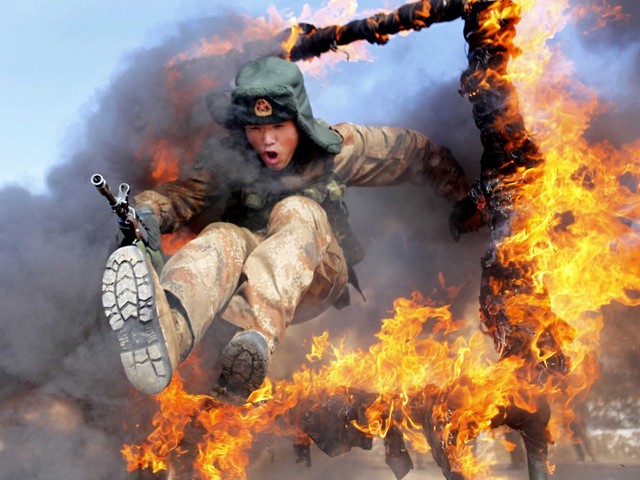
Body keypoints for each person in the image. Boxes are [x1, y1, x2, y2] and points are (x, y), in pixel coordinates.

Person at [101, 56, 484, 404]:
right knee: (220, 235)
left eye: (278, 126)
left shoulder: (337, 148)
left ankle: (251, 345)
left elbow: (415, 152)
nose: (267, 139)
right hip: (248, 275)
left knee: (298, 210)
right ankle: (170, 335)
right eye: (255, 128)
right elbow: (182, 197)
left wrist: (464, 199)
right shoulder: (231, 160)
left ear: (299, 123)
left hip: (318, 273)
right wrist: (145, 212)